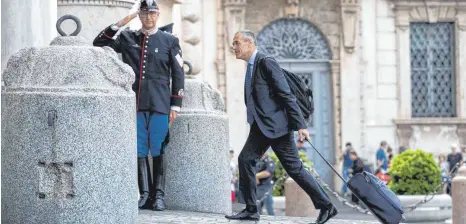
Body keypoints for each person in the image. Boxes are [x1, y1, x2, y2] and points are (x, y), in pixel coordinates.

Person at [225, 30, 337, 223]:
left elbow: (286, 95)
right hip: (262, 127)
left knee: (295, 168)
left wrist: (300, 125)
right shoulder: (251, 66)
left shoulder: (266, 62)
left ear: (249, 43)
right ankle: (251, 209)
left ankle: (327, 206)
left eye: (237, 43)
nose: (233, 47)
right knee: (245, 160)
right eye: (233, 44)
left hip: (277, 128)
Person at [93, 0, 185, 211]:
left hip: (161, 103)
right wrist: (127, 18)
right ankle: (144, 195)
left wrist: (176, 105)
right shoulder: (128, 37)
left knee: (159, 149)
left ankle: (159, 196)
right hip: (135, 103)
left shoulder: (169, 40)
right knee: (140, 149)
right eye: (144, 14)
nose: (148, 17)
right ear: (140, 15)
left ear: (158, 14)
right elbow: (99, 42)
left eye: (152, 13)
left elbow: (178, 73)